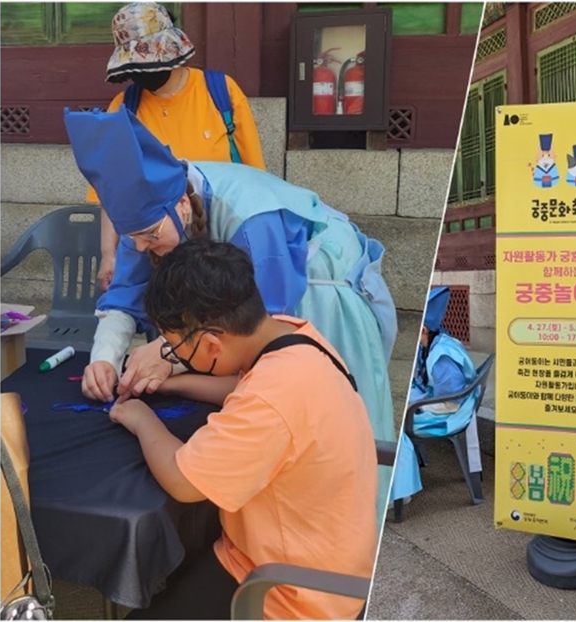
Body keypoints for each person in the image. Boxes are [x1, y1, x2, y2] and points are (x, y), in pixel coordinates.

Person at [64, 105, 396, 514]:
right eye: (136, 241)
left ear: (182, 207)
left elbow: (261, 324)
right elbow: (124, 294)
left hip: (316, 291)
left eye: (150, 236)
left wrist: (168, 353)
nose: (145, 248)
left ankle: (355, 507)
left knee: (318, 430)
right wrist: (105, 360)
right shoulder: (149, 221)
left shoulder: (253, 220)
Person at [109, 239, 377, 619]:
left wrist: (139, 418)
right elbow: (243, 387)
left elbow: (183, 481)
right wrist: (170, 380)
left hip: (289, 593)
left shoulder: (271, 398)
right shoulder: (292, 338)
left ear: (211, 343)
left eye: (173, 349)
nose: (175, 358)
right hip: (322, 560)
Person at [89, 2, 266, 292]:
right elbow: (113, 195)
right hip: (159, 252)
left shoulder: (221, 92)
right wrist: (109, 255)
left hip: (222, 244)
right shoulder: (123, 109)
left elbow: (256, 180)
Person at [390, 286, 482, 505]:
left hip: (450, 412)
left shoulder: (442, 356)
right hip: (442, 400)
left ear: (422, 328)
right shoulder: (434, 342)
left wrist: (415, 404)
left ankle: (400, 494)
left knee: (394, 425)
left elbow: (449, 400)